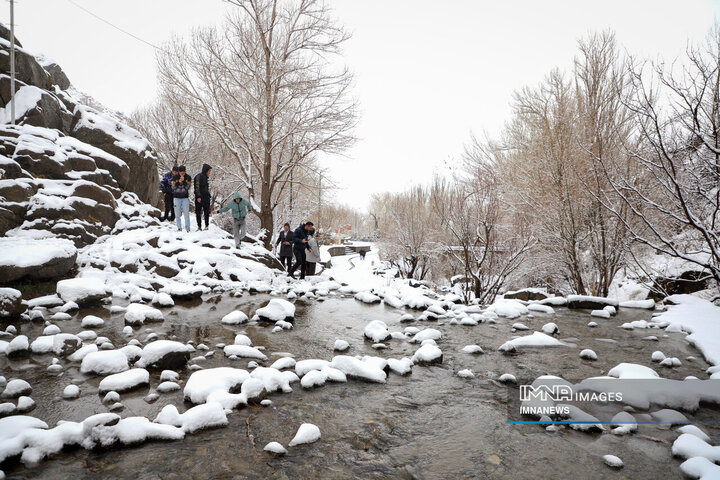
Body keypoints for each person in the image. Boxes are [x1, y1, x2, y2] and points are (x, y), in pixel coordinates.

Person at [171, 165, 192, 232]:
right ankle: (179, 227)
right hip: (176, 197)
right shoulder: (175, 177)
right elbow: (173, 187)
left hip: (185, 198)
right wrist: (178, 182)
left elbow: (188, 187)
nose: (182, 173)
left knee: (186, 213)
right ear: (179, 172)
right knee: (177, 214)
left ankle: (188, 228)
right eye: (181, 172)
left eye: (183, 172)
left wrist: (184, 182)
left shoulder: (188, 177)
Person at [194, 163, 212, 231]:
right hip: (200, 198)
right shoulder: (198, 177)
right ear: (206, 170)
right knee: (198, 212)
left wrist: (209, 195)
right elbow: (197, 187)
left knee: (206, 212)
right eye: (209, 171)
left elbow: (205, 189)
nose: (209, 172)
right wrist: (198, 196)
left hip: (206, 198)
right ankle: (199, 226)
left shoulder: (206, 178)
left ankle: (207, 226)